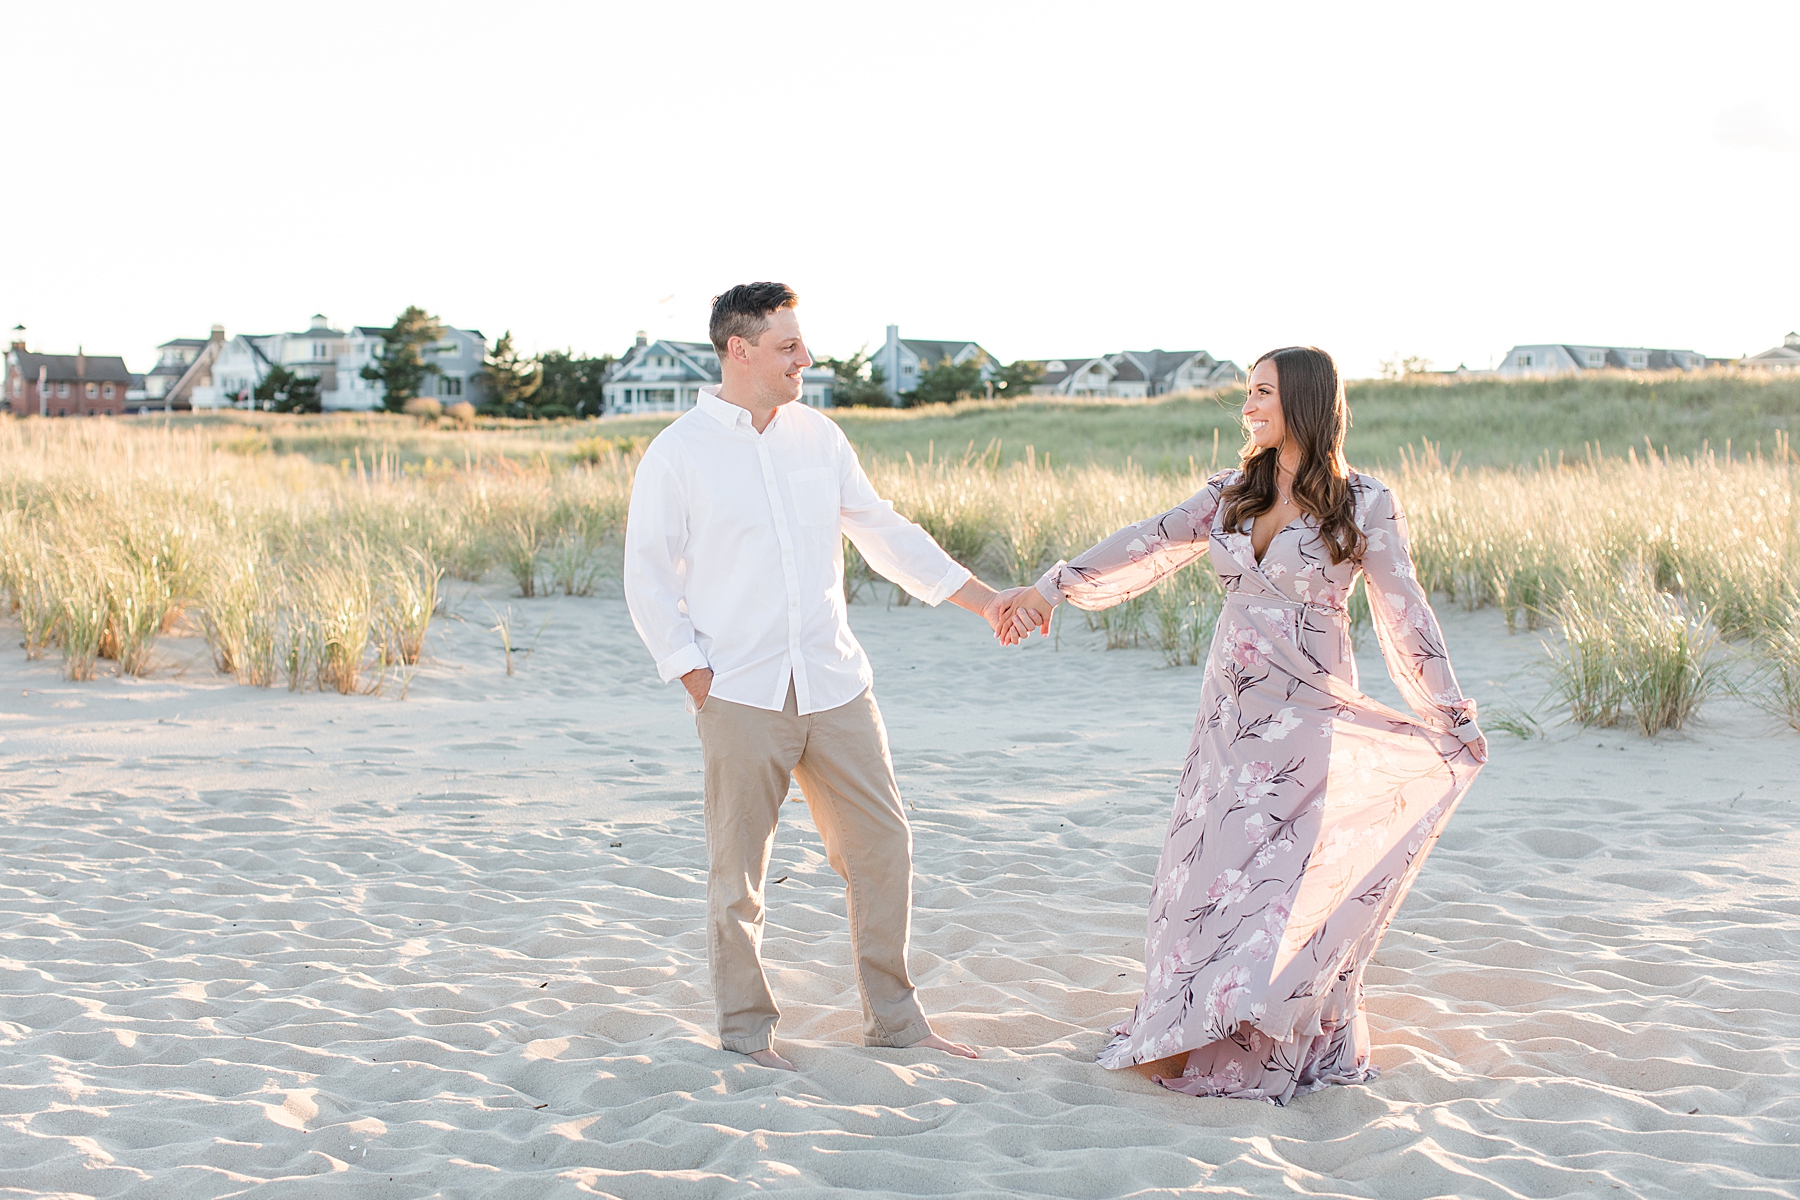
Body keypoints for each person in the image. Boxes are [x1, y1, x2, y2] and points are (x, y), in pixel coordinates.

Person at [998, 345, 1487, 1105]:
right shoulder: (1229, 492)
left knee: (1277, 885)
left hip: (1308, 716)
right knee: (1204, 877)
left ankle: (1263, 1035)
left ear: (1306, 402)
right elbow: (1145, 537)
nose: (1249, 406)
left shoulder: (1364, 503)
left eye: (1263, 392)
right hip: (1228, 719)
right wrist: (1048, 588)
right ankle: (1192, 1022)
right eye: (1248, 392)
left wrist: (1449, 711)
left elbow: (1405, 613)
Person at [624, 282, 1027, 1072]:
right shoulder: (678, 453)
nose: (804, 358)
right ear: (739, 351)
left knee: (883, 847)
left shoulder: (819, 437)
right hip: (738, 693)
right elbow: (647, 577)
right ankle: (746, 1034)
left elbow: (883, 533)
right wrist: (694, 677)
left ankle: (898, 1024)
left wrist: (983, 602)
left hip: (837, 685)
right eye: (787, 347)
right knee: (738, 876)